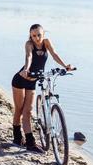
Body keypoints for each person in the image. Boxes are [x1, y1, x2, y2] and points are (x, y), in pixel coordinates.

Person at [11, 24, 74, 153]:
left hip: (33, 81)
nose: (37, 38)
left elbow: (54, 54)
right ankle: (17, 138)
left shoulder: (46, 42)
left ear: (43, 33)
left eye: (39, 34)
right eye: (34, 35)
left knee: (28, 111)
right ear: (30, 36)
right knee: (19, 109)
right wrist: (26, 69)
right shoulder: (29, 44)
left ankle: (29, 144)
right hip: (21, 79)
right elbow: (29, 57)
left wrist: (65, 65)